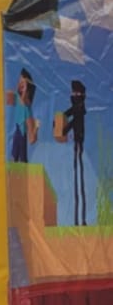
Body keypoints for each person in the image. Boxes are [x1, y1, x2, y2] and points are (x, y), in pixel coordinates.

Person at [62, 78, 87, 226]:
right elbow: (67, 114)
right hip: (77, 142)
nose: (73, 95)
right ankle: (79, 219)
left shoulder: (79, 109)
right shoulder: (77, 107)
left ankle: (81, 220)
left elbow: (73, 122)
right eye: (73, 93)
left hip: (79, 141)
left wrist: (64, 129)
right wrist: (59, 120)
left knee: (79, 177)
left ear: (81, 95)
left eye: (76, 93)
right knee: (78, 177)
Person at [7, 68, 37, 164]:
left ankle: (20, 168)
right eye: (19, 82)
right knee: (14, 155)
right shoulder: (17, 98)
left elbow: (31, 133)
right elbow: (9, 98)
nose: (20, 85)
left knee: (22, 157)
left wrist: (34, 130)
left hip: (22, 132)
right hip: (18, 131)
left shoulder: (27, 108)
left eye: (23, 84)